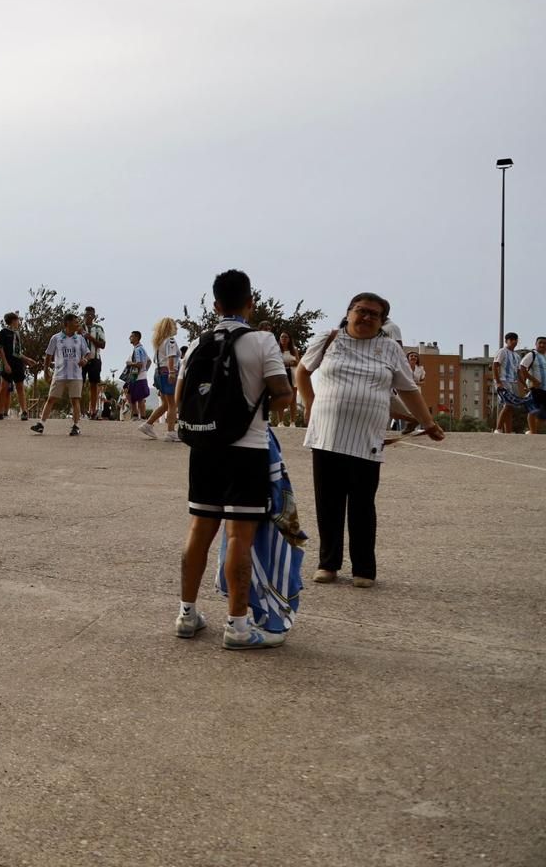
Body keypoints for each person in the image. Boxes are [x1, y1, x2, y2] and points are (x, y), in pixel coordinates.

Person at [173, 270, 297, 650]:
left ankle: (187, 614)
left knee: (199, 529)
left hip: (204, 448)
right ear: (250, 303)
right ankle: (238, 626)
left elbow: (180, 398)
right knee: (238, 536)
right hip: (247, 450)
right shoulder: (262, 341)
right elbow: (283, 395)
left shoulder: (197, 344)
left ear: (215, 305)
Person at [296, 292, 445, 588]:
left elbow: (408, 389)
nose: (366, 317)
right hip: (326, 433)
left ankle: (364, 569)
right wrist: (310, 404)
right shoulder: (329, 339)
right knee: (328, 503)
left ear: (382, 321)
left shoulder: (389, 349)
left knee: (362, 504)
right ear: (349, 312)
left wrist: (428, 423)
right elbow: (302, 372)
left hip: (367, 437)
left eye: (373, 314)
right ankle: (328, 564)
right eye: (361, 310)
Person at [32, 314, 93, 436]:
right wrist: (46, 371)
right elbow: (48, 355)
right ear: (67, 323)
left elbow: (88, 353)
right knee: (51, 399)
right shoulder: (56, 338)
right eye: (75, 322)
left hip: (75, 375)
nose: (78, 324)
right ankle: (41, 424)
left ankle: (76, 426)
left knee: (75, 400)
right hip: (59, 374)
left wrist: (85, 360)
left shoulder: (80, 339)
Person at [140, 317, 181, 441]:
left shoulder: (160, 342)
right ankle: (171, 432)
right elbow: (171, 357)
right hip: (167, 373)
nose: (177, 328)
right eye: (175, 325)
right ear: (170, 327)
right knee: (172, 404)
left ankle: (148, 424)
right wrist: (172, 372)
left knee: (165, 404)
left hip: (158, 373)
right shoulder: (170, 341)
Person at [0, 313, 33, 421]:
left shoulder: (17, 333)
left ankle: (24, 411)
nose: (19, 322)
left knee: (20, 386)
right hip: (7, 362)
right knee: (4, 386)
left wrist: (26, 359)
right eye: (17, 320)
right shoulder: (4, 332)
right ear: (13, 320)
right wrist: (5, 363)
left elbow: (17, 352)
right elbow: (0, 348)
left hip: (18, 363)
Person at [493, 332, 525, 433]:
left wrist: (524, 384)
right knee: (508, 404)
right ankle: (498, 428)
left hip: (513, 382)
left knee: (511, 407)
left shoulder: (517, 356)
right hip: (503, 381)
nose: (513, 341)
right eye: (511, 339)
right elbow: (495, 366)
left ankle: (508, 431)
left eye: (515, 339)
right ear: (506, 341)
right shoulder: (502, 352)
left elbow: (518, 372)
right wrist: (498, 382)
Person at [80, 306, 107, 420]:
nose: (88, 317)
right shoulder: (79, 327)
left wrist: (89, 337)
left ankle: (92, 410)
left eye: (91, 315)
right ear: (84, 315)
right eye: (86, 315)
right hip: (81, 360)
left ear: (94, 316)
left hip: (95, 359)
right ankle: (78, 410)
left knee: (94, 385)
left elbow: (103, 345)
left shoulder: (98, 328)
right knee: (78, 384)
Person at [123, 331, 152, 420]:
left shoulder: (137, 350)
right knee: (133, 395)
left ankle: (139, 417)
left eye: (131, 336)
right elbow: (149, 361)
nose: (129, 338)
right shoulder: (142, 349)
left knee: (137, 397)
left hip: (136, 377)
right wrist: (145, 371)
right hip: (140, 376)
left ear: (136, 338)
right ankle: (139, 416)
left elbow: (139, 364)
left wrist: (130, 363)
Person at [275, 331, 302, 426]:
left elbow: (298, 362)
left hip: (293, 375)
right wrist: (283, 364)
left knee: (293, 399)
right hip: (281, 375)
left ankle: (293, 422)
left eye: (286, 337)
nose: (284, 338)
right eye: (282, 337)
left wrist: (293, 363)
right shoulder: (276, 350)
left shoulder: (294, 350)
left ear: (289, 339)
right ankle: (280, 422)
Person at [520, 336, 546, 435]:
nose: (542, 345)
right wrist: (533, 380)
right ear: (536, 344)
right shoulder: (532, 354)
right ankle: (533, 432)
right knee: (533, 410)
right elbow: (522, 368)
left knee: (543, 415)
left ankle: (533, 431)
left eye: (544, 343)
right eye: (540, 343)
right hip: (535, 388)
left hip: (545, 389)